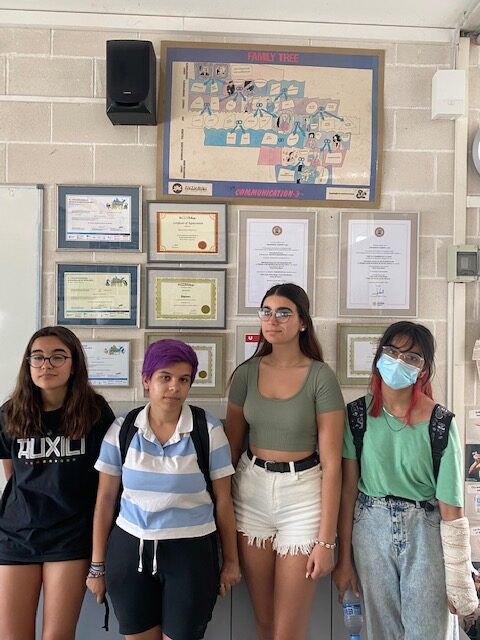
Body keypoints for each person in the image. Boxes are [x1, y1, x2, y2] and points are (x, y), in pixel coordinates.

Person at [87, 338, 240, 640]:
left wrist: (231, 562)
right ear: (146, 380)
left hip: (191, 553)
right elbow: (105, 500)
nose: (174, 387)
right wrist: (97, 566)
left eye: (183, 380)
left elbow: (224, 501)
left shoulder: (208, 430)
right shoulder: (123, 429)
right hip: (130, 551)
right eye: (165, 377)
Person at [333, 320, 478, 640]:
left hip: (424, 530)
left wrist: (459, 578)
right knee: (382, 633)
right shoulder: (356, 416)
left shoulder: (441, 423)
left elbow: (451, 509)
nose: (399, 361)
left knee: (429, 632)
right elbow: (347, 493)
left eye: (412, 357)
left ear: (423, 370)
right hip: (370, 528)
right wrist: (343, 561)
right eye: (392, 351)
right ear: (378, 356)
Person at [225, 283, 345, 640]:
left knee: (288, 630)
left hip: (303, 496)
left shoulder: (321, 376)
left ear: (303, 322)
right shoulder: (246, 374)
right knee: (264, 623)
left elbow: (333, 466)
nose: (272, 320)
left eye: (283, 312)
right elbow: (229, 451)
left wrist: (326, 543)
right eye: (266, 311)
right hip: (251, 492)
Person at [0, 325, 115, 640]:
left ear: (73, 364)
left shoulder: (95, 412)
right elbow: (12, 472)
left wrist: (98, 559)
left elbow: (107, 483)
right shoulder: (11, 412)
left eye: (57, 357)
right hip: (15, 536)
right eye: (37, 357)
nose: (46, 365)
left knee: (58, 636)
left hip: (70, 537)